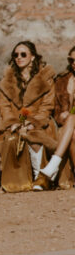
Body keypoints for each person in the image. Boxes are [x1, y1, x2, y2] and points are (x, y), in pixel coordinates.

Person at [0, 41, 58, 192]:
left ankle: (40, 176)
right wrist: (12, 122)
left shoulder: (45, 78)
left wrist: (33, 123)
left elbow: (47, 106)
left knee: (34, 136)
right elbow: (4, 106)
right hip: (15, 122)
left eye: (23, 54)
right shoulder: (7, 80)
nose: (19, 58)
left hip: (40, 121)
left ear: (32, 57)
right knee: (12, 137)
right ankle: (17, 181)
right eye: (16, 55)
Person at [46, 46, 75, 189]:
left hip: (70, 121)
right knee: (73, 132)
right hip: (67, 127)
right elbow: (55, 108)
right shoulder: (62, 80)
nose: (74, 63)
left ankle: (54, 164)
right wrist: (60, 116)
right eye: (71, 60)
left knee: (72, 119)